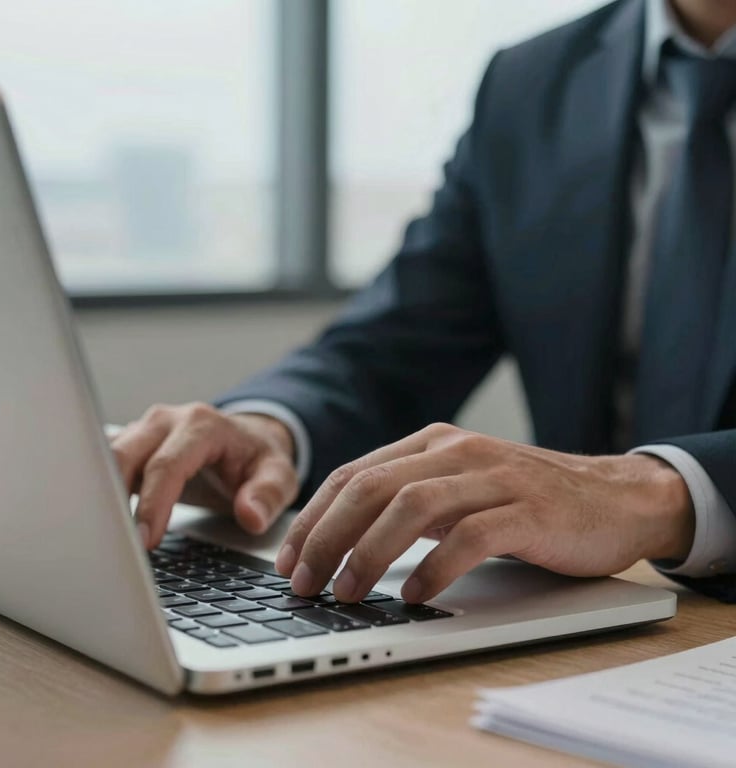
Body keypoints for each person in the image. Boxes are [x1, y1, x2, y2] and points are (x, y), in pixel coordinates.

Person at [111, 0, 736, 606]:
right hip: (586, 625)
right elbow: (400, 342)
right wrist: (269, 428)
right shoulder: (533, 79)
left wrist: (661, 495)